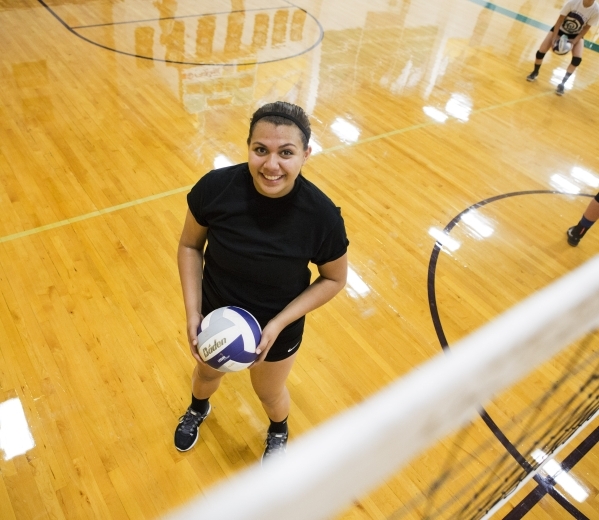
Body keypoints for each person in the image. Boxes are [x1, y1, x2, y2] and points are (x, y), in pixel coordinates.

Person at [174, 101, 349, 463]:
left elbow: (333, 279)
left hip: (277, 326)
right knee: (205, 375)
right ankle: (197, 408)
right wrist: (193, 312)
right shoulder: (215, 188)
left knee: (269, 393)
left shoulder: (322, 216)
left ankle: (278, 429)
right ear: (249, 147)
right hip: (215, 318)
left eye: (286, 153)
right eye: (261, 150)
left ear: (306, 154)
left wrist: (279, 323)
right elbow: (190, 245)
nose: (271, 165)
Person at [526, 0, 599, 95]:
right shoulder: (572, 3)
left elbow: (586, 28)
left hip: (576, 34)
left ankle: (562, 84)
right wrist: (554, 37)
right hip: (560, 30)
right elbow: (560, 19)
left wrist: (575, 41)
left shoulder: (596, 10)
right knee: (541, 51)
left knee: (577, 59)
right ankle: (535, 72)